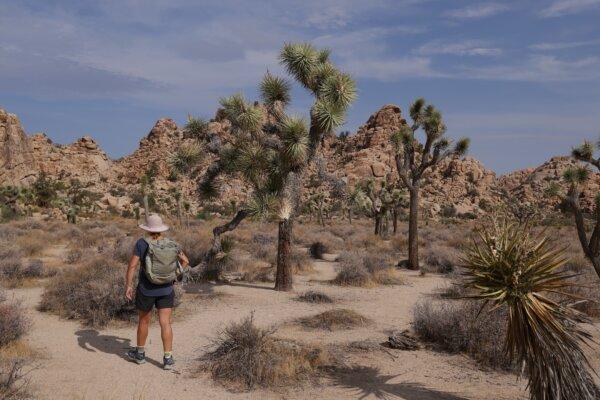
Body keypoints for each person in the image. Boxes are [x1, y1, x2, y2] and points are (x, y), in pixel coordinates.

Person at [124, 214, 189, 370]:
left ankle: (140, 354)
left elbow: (132, 266)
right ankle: (168, 358)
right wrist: (174, 277)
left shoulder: (142, 243)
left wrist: (128, 285)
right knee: (165, 323)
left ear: (147, 229)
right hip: (166, 289)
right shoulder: (171, 243)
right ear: (161, 229)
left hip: (146, 289)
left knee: (144, 321)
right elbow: (185, 261)